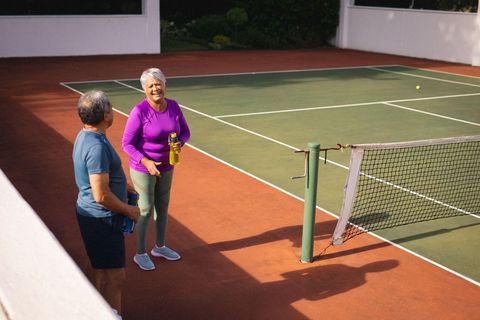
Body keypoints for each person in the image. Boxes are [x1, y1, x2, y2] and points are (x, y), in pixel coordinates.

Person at [73, 90, 140, 319]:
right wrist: (129, 209)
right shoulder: (97, 147)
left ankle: (95, 311)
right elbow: (101, 195)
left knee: (100, 269)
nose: (113, 112)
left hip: (94, 217)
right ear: (104, 115)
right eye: (110, 109)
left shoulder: (86, 136)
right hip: (102, 219)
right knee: (115, 277)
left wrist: (124, 186)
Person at [122, 68, 190, 271]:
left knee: (163, 206)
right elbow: (127, 144)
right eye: (150, 85)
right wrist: (146, 161)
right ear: (144, 89)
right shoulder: (139, 111)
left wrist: (180, 143)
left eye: (158, 83)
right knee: (145, 209)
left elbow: (185, 132)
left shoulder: (174, 107)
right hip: (143, 168)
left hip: (168, 164)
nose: (155, 88)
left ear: (164, 85)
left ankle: (160, 247)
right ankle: (140, 253)